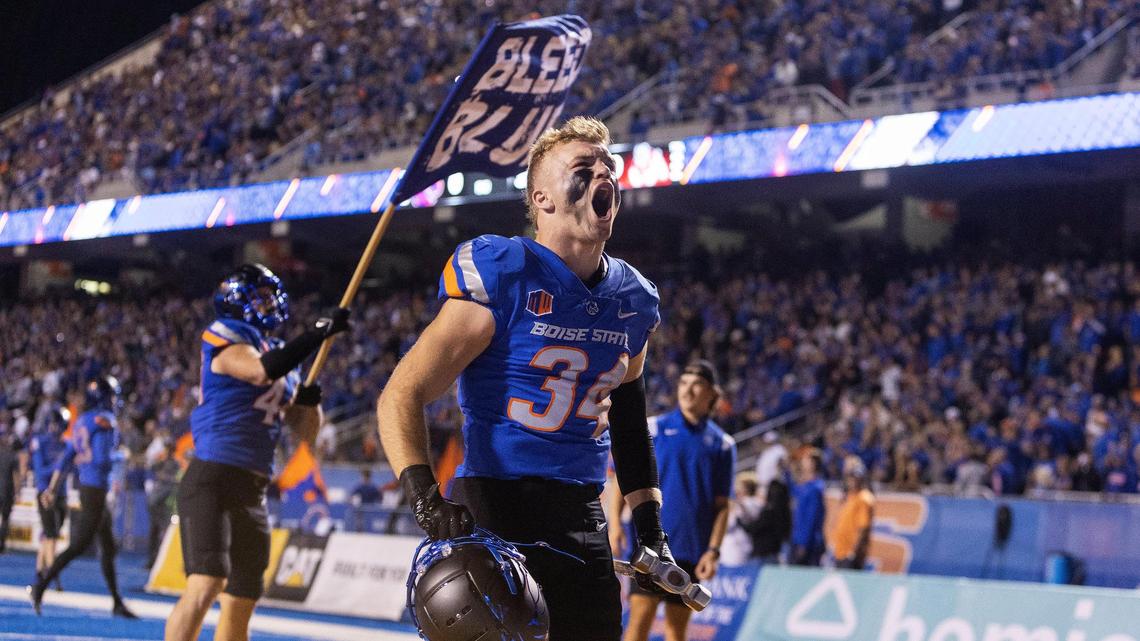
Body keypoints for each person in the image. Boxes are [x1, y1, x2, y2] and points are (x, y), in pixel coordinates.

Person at [379, 116, 666, 641]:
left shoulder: (633, 298)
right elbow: (402, 392)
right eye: (583, 168)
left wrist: (649, 526)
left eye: (609, 168)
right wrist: (424, 497)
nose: (603, 175)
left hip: (582, 512)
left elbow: (628, 417)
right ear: (542, 198)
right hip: (496, 508)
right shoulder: (504, 270)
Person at [164, 264, 348, 641]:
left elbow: (306, 434)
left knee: (243, 597)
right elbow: (261, 372)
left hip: (253, 487)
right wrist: (315, 333)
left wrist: (309, 402)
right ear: (236, 299)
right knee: (206, 582)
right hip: (213, 475)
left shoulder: (280, 355)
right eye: (260, 297)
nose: (269, 305)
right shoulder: (225, 336)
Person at [613, 360, 735, 641]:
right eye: (683, 382)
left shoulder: (722, 445)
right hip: (650, 544)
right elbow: (625, 479)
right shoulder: (653, 428)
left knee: (677, 632)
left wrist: (713, 551)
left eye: (696, 384)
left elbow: (723, 505)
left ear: (712, 394)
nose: (688, 390)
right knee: (638, 625)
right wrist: (617, 524)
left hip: (691, 551)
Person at [29, 376, 136, 618]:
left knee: (108, 547)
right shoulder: (104, 420)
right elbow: (101, 459)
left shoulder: (81, 422)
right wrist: (122, 456)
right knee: (78, 545)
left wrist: (52, 488)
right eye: (111, 395)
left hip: (88, 488)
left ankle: (117, 601)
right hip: (96, 489)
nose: (113, 400)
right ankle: (40, 585)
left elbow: (67, 457)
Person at [28, 407, 69, 587]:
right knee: (51, 533)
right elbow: (39, 470)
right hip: (46, 493)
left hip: (61, 493)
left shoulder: (65, 445)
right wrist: (47, 488)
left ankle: (39, 569)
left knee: (51, 532)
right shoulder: (41, 442)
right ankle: (52, 575)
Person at [829, 457, 875, 569]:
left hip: (850, 553)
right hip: (841, 551)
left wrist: (854, 551)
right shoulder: (850, 496)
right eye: (850, 476)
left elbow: (863, 528)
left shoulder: (864, 498)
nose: (852, 480)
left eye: (855, 477)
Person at [790, 450, 826, 566]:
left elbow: (812, 518)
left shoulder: (815, 488)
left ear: (813, 464)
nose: (803, 462)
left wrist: (804, 543)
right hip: (797, 538)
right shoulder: (802, 486)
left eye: (806, 460)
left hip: (808, 543)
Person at [0, 428, 22, 554]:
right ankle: (1, 545)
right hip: (7, 491)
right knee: (5, 519)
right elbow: (16, 477)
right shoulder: (12, 456)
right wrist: (18, 492)